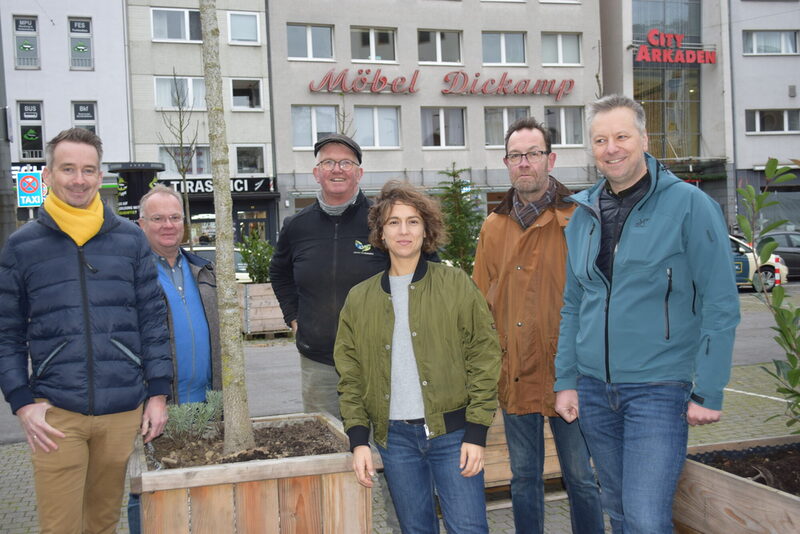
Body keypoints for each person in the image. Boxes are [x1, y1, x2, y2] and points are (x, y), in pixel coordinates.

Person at [554, 94, 740, 534]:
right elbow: (574, 304)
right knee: (618, 509)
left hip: (657, 390)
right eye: (601, 140)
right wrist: (566, 381)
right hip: (595, 391)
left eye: (621, 136)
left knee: (644, 517)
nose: (611, 148)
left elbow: (720, 302)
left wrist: (709, 389)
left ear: (644, 139)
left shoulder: (690, 206)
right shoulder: (583, 215)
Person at [0, 128, 173, 534]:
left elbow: (151, 320)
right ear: (48, 174)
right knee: (60, 526)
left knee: (102, 524)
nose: (78, 179)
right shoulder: (22, 245)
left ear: (100, 176)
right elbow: (7, 332)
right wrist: (22, 401)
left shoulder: (130, 239)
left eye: (88, 170)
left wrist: (158, 393)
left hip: (121, 411)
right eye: (68, 169)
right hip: (55, 413)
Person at [334, 181, 501, 534]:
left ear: (426, 230)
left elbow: (484, 356)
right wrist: (359, 440)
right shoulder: (359, 299)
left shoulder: (455, 284)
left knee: (469, 527)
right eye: (394, 222)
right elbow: (350, 376)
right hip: (395, 441)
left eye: (413, 221)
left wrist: (476, 431)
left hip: (454, 436)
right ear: (381, 232)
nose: (404, 230)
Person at [472, 117, 604, 534]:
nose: (524, 163)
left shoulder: (579, 217)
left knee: (581, 478)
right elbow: (479, 303)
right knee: (523, 479)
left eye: (532, 154)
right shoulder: (493, 226)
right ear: (506, 162)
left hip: (569, 373)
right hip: (514, 374)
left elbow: (597, 296)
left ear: (550, 159)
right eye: (516, 155)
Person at [126, 184, 222, 533]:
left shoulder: (204, 270)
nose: (167, 225)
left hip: (206, 406)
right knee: (150, 496)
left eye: (174, 217)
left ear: (184, 222)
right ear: (141, 224)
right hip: (157, 410)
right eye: (157, 218)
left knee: (205, 499)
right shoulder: (131, 275)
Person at [269, 133, 386, 419]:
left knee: (382, 448)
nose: (337, 169)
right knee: (327, 444)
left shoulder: (383, 220)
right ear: (316, 173)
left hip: (379, 359)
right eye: (329, 162)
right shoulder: (297, 226)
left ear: (359, 173)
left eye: (346, 162)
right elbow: (279, 272)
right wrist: (294, 318)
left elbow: (422, 269)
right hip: (318, 361)